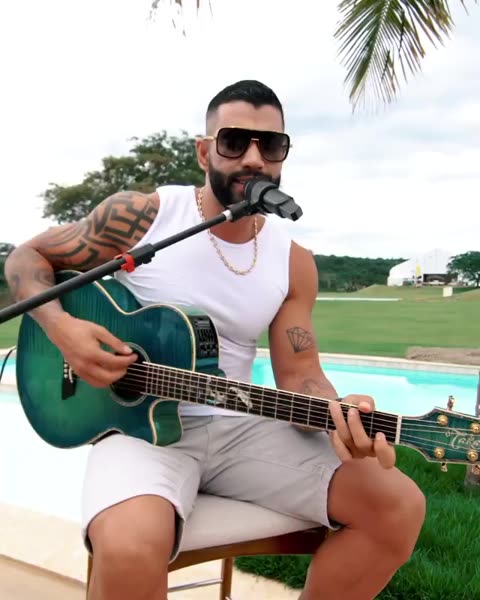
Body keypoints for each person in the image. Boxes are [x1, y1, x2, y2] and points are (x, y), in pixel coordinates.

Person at [5, 80, 425, 600]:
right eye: (234, 141)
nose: (253, 158)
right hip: (140, 431)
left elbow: (302, 375)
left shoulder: (293, 262)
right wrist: (62, 329)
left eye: (271, 145)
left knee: (398, 507)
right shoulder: (144, 217)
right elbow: (28, 258)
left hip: (241, 427)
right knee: (129, 547)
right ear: (205, 152)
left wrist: (339, 415)